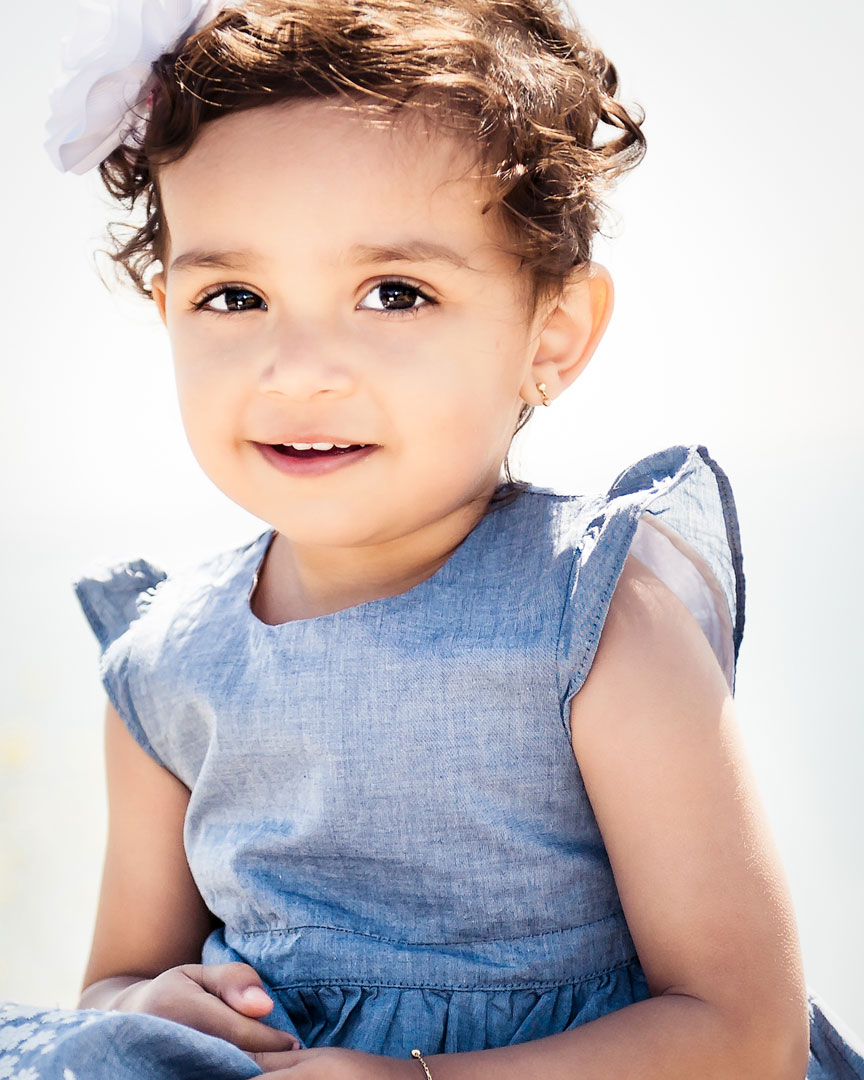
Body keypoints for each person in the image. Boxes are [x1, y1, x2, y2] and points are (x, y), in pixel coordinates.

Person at [1, 0, 861, 1077]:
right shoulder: (165, 663)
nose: (299, 368)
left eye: (394, 294)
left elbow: (745, 1032)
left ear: (552, 335)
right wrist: (158, 1003)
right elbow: (114, 984)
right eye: (235, 296)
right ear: (166, 306)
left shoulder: (591, 617)